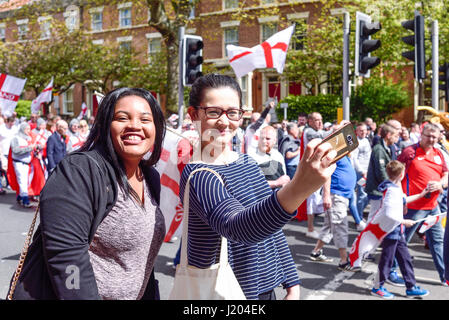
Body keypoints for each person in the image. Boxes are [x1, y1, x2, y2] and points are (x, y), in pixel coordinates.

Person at [183, 74, 337, 300]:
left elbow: (272, 230)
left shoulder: (247, 163)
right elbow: (237, 227)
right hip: (225, 292)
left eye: (233, 112)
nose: (225, 122)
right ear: (194, 114)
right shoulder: (199, 174)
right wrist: (299, 188)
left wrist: (291, 280)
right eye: (214, 112)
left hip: (265, 287)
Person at [8, 87, 166, 300]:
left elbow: (141, 258)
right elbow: (66, 258)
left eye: (145, 119)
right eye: (122, 118)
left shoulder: (150, 177)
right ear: (104, 125)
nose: (135, 126)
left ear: (157, 128)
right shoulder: (79, 171)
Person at [397, 123, 448, 285]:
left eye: (435, 136)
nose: (431, 139)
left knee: (438, 242)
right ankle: (389, 271)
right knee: (401, 241)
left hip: (433, 206)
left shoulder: (438, 153)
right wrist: (401, 200)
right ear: (421, 135)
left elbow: (446, 174)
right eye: (428, 136)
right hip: (413, 207)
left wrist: (441, 184)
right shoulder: (409, 152)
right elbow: (396, 176)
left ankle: (445, 276)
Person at [371, 160, 429, 299]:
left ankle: (411, 286)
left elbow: (404, 200)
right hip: (391, 231)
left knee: (405, 259)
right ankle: (377, 287)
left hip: (398, 232)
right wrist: (404, 221)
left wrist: (421, 195)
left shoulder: (395, 187)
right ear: (402, 174)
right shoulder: (392, 190)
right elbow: (389, 214)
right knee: (386, 260)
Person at [310, 150, 358, 271]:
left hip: (341, 195)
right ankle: (343, 261)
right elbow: (327, 173)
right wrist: (326, 195)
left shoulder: (343, 153)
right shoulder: (334, 153)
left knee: (329, 225)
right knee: (340, 227)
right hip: (336, 195)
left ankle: (316, 252)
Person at [302, 112, 329, 238]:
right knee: (311, 201)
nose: (320, 122)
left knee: (315, 200)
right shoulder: (309, 131)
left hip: (317, 169)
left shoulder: (316, 131)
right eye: (317, 120)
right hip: (310, 170)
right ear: (310, 121)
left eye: (321, 120)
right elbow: (322, 137)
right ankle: (310, 229)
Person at [8, 123, 42, 208]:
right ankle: (25, 200)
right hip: (19, 163)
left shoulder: (28, 138)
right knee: (22, 181)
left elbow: (35, 146)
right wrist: (30, 148)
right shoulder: (16, 138)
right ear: (23, 129)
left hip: (28, 163)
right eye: (27, 129)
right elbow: (16, 150)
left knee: (26, 181)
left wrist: (37, 147)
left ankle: (20, 196)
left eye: (29, 129)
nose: (29, 131)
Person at [351, 122, 371, 221]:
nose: (363, 132)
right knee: (362, 195)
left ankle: (358, 213)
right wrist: (362, 171)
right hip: (360, 173)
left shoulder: (366, 140)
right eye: (361, 130)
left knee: (367, 195)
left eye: (364, 130)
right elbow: (354, 159)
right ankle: (358, 217)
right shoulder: (356, 142)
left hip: (367, 171)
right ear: (357, 131)